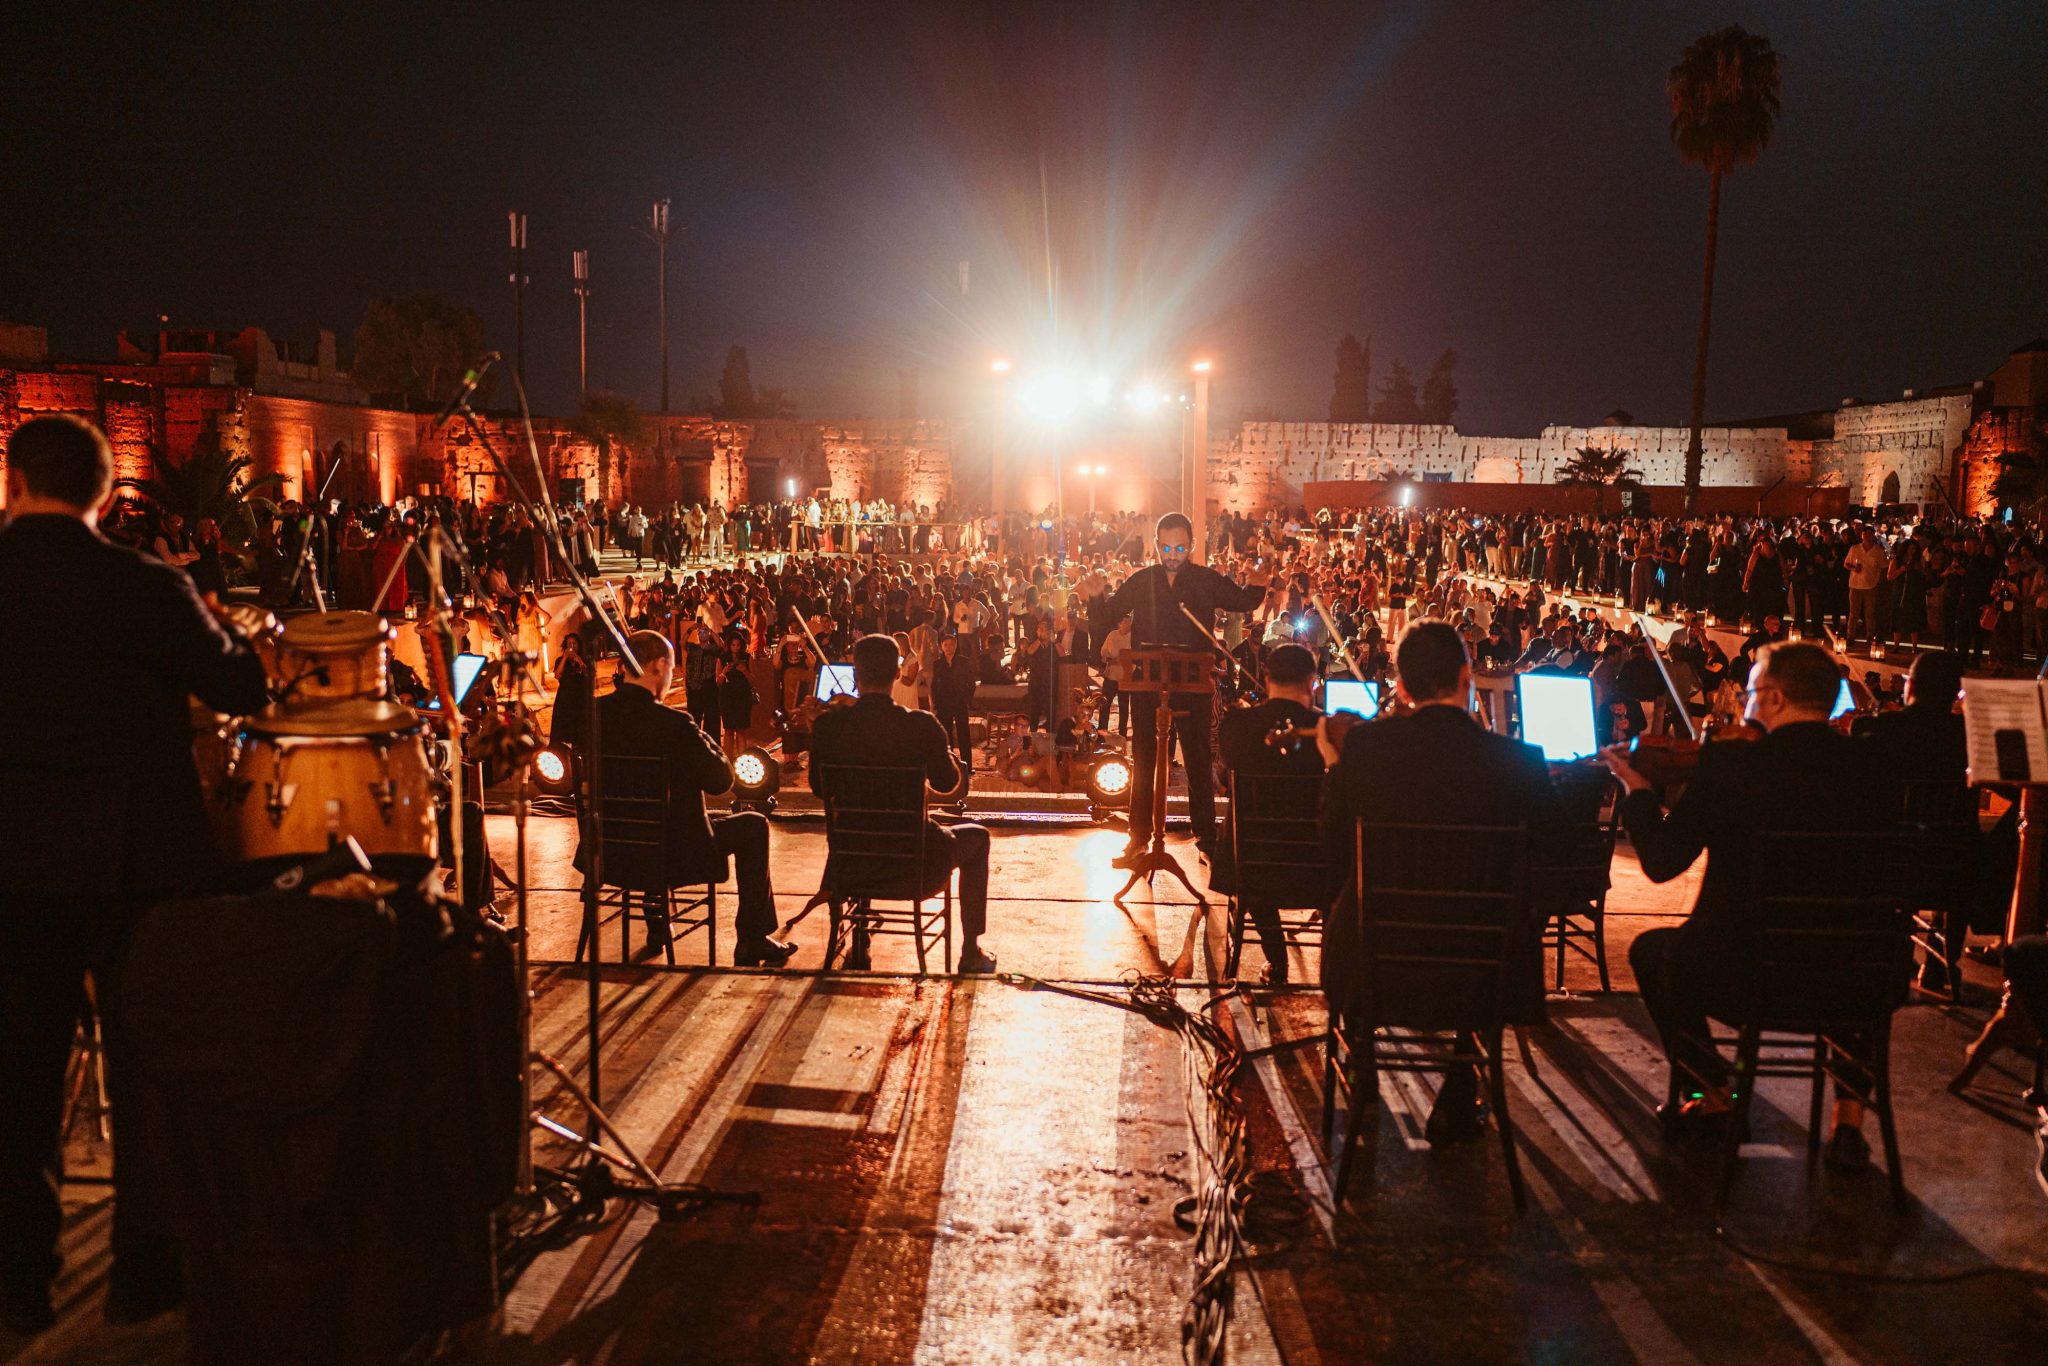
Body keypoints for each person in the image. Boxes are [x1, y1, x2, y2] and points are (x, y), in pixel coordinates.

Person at [0, 416, 272, 1336]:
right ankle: (143, 1275)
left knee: (16, 1077)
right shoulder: (145, 583)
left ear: (14, 483)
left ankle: (17, 1284)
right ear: (104, 495)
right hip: (133, 862)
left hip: (11, 864)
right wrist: (220, 628)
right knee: (146, 1069)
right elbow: (242, 688)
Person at [1600, 641, 1892, 1162]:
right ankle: (1848, 1123)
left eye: (1751, 694)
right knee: (1847, 940)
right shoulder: (1875, 769)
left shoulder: (1732, 765)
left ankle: (1713, 1091)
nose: (1745, 706)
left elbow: (1662, 863)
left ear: (1775, 699)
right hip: (1861, 980)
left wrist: (1637, 789)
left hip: (1748, 976)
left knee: (1651, 951)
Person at [1317, 621, 1564, 1146]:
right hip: (1483, 975)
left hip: (1372, 963)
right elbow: (1549, 864)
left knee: (1348, 899)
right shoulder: (1519, 762)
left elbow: (1331, 851)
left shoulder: (1364, 750)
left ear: (1403, 687)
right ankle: (1460, 1084)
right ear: (1465, 678)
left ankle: (1362, 1062)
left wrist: (1334, 766)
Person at [577, 630, 796, 967]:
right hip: (670, 854)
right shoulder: (674, 723)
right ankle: (752, 938)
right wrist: (701, 737)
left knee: (655, 818)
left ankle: (656, 923)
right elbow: (721, 781)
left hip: (606, 849)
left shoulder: (592, 714)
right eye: (670, 668)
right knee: (753, 825)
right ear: (658, 666)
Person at [1079, 512, 1272, 868]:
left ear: (1192, 545)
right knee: (1144, 760)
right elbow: (1106, 617)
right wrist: (1095, 597)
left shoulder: (1205, 579)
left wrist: (1257, 586)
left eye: (1180, 548)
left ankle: (1206, 839)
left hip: (1192, 683)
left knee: (1197, 759)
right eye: (1166, 548)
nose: (1172, 555)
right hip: (1147, 683)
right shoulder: (1142, 580)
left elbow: (1242, 602)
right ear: (1155, 545)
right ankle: (1138, 837)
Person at [808, 634, 997, 973]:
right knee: (978, 838)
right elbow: (947, 783)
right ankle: (970, 952)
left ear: (855, 674)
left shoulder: (828, 726)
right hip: (914, 864)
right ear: (897, 674)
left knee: (864, 826)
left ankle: (860, 943)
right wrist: (949, 757)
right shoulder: (921, 726)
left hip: (851, 862)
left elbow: (818, 789)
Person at [1213, 643, 1328, 985]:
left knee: (1241, 832)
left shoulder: (1238, 725)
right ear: (1312, 683)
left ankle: (1277, 960)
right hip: (1317, 865)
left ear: (1266, 679)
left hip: (1253, 863)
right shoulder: (1326, 729)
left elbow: (1223, 778)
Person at [928, 631, 976, 774]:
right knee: (946, 735)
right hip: (943, 703)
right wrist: (934, 702)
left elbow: (971, 683)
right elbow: (934, 685)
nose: (948, 648)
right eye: (946, 645)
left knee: (963, 734)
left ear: (956, 646)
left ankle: (967, 766)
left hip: (959, 702)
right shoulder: (937, 664)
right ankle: (948, 765)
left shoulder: (963, 661)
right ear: (941, 647)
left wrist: (967, 699)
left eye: (951, 645)